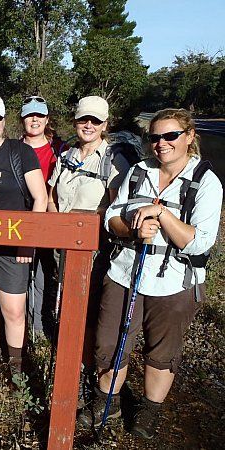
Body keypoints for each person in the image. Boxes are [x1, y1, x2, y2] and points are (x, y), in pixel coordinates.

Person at [79, 109, 222, 438]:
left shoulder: (205, 182)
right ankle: (107, 403)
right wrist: (131, 229)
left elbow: (199, 243)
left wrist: (161, 214)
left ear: (188, 136)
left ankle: (149, 410)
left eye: (170, 135)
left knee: (161, 351)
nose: (161, 143)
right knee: (109, 344)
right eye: (155, 137)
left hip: (175, 281)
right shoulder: (138, 172)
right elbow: (112, 218)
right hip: (125, 272)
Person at [47, 95, 130, 401]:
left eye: (96, 121)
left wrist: (83, 232)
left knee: (90, 313)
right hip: (63, 247)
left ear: (105, 125)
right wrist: (56, 229)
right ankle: (67, 368)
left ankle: (86, 376)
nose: (89, 125)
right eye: (84, 119)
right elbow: (53, 195)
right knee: (66, 309)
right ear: (76, 121)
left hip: (95, 253)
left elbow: (114, 209)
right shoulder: (67, 155)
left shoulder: (113, 160)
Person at [0, 94, 47, 375]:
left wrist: (29, 242)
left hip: (14, 244)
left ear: (4, 120)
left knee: (14, 309)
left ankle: (16, 364)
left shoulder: (21, 152)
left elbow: (40, 198)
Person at [20, 95, 69, 336]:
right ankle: (21, 326)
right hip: (20, 222)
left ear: (47, 118)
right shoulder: (12, 147)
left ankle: (38, 327)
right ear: (22, 119)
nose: (34, 119)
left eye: (39, 115)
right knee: (20, 276)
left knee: (42, 276)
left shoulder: (61, 150)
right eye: (30, 115)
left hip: (49, 222)